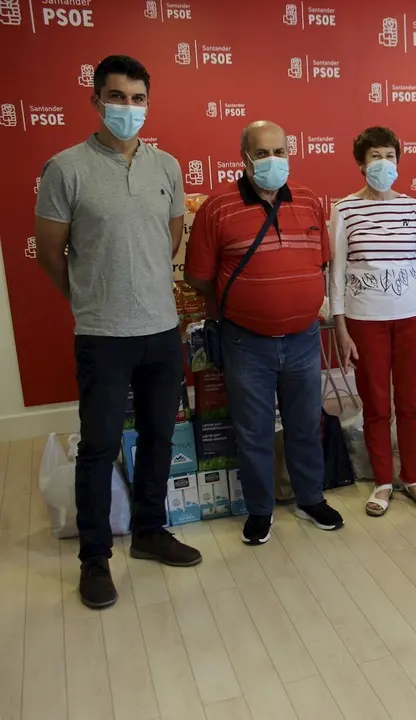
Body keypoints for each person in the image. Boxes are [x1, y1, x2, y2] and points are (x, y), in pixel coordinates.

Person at [34, 55, 202, 609]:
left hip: (160, 329)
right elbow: (52, 253)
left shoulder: (168, 167)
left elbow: (170, 238)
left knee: (158, 436)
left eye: (136, 99)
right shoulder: (66, 168)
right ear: (95, 100)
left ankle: (152, 531)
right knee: (100, 447)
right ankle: (94, 558)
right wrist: (89, 298)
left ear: (147, 103)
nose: (126, 108)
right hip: (102, 335)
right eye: (115, 96)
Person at [184, 120, 343, 546]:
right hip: (245, 342)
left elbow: (321, 264)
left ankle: (311, 498)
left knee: (305, 424)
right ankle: (260, 510)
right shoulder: (217, 208)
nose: (273, 160)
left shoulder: (309, 202)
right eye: (262, 153)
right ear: (244, 158)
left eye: (280, 151)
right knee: (253, 430)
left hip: (304, 339)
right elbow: (199, 278)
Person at [329, 126, 416, 517]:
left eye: (390, 156)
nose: (384, 164)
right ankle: (382, 482)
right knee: (377, 405)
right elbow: (337, 272)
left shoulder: (413, 208)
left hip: (414, 318)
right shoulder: (344, 209)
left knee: (411, 403)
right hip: (365, 322)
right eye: (376, 156)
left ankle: (413, 477)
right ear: (361, 163)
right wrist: (341, 327)